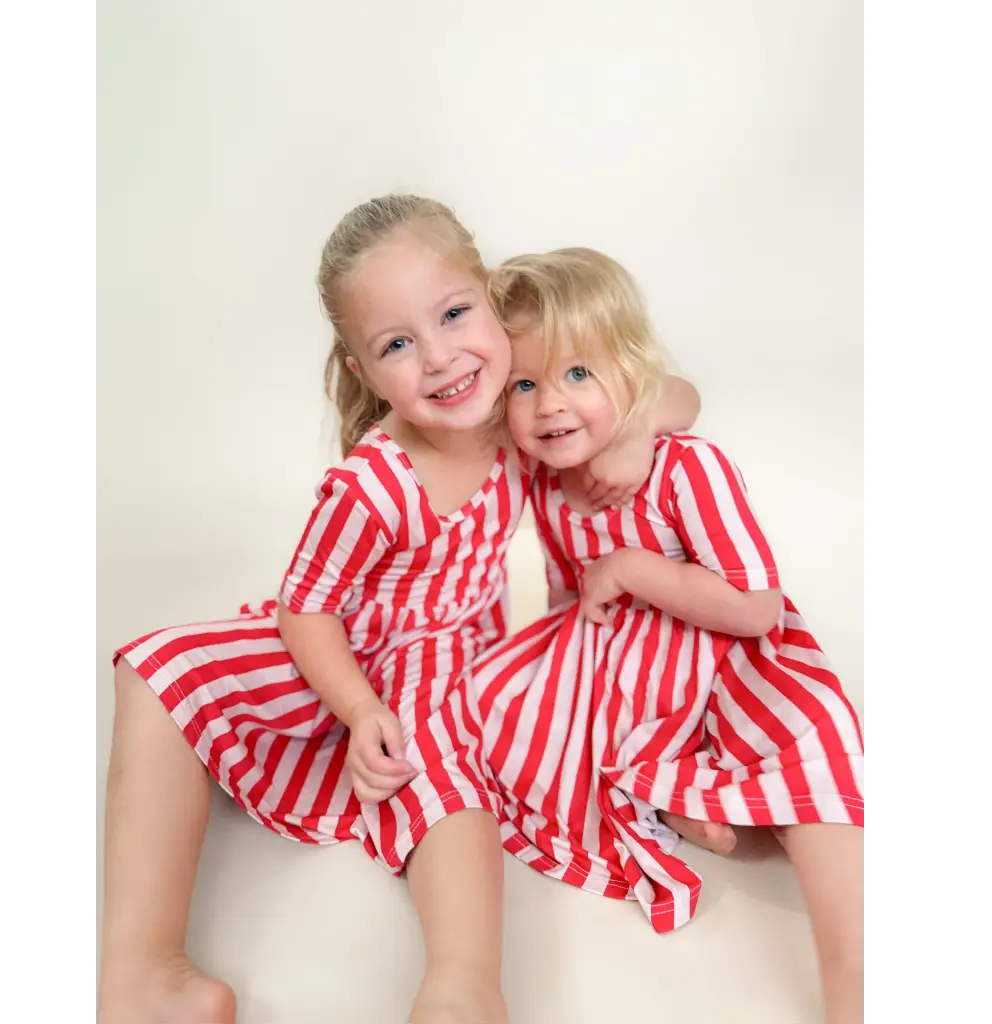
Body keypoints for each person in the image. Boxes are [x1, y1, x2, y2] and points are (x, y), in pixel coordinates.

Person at [98, 196, 700, 1024]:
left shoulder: (523, 410)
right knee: (156, 669)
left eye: (455, 313)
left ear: (493, 301)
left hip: (449, 659)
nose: (442, 357)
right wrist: (356, 706)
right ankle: (141, 971)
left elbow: (674, 393)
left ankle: (462, 985)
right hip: (340, 651)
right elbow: (305, 610)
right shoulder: (372, 487)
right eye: (397, 345)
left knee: (445, 772)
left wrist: (633, 432)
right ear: (362, 372)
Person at [472, 247, 864, 1023]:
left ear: (632, 371)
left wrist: (632, 566)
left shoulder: (687, 468)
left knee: (807, 736)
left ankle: (848, 966)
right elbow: (567, 602)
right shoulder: (548, 489)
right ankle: (682, 798)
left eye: (577, 374)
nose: (550, 404)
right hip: (626, 680)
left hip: (726, 655)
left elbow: (755, 608)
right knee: (513, 724)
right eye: (525, 384)